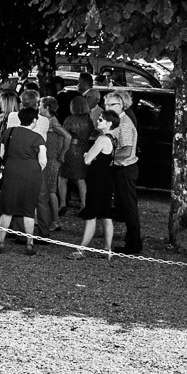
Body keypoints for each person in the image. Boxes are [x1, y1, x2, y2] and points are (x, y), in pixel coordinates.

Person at [0, 106, 47, 255]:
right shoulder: (37, 138)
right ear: (34, 120)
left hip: (11, 171)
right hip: (31, 174)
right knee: (29, 209)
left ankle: (0, 241)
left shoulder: (9, 132)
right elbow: (43, 161)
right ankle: (30, 243)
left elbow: (2, 154)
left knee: (7, 208)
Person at [70, 108, 121, 260]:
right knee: (105, 214)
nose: (97, 121)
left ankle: (82, 249)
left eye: (100, 119)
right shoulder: (113, 139)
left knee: (91, 214)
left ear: (109, 123)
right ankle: (107, 249)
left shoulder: (102, 139)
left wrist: (88, 155)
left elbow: (87, 159)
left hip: (97, 180)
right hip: (106, 179)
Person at [108, 91, 144, 254]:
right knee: (125, 205)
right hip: (120, 167)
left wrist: (108, 157)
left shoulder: (125, 123)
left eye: (112, 104)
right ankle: (131, 241)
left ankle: (134, 243)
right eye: (107, 104)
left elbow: (127, 151)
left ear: (122, 104)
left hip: (125, 168)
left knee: (129, 206)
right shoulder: (117, 122)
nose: (108, 107)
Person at [37, 95, 71, 237]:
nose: (38, 107)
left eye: (40, 105)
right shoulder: (47, 120)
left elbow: (67, 136)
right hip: (49, 157)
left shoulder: (52, 121)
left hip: (52, 159)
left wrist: (62, 153)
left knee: (51, 190)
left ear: (47, 107)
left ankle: (55, 221)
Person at [60, 91, 95, 213]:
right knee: (80, 179)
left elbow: (64, 135)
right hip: (83, 149)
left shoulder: (69, 119)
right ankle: (84, 205)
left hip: (70, 150)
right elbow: (92, 134)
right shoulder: (88, 120)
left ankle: (63, 203)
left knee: (63, 177)